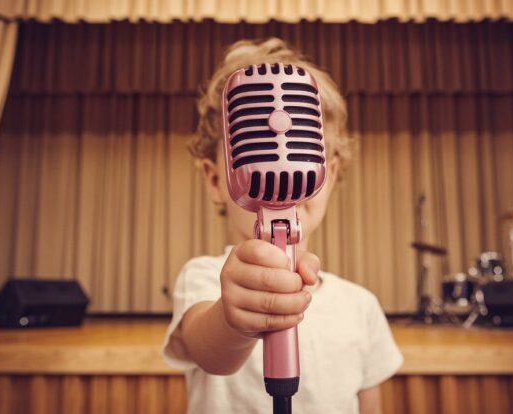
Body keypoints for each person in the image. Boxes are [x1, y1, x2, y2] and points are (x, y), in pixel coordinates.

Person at [162, 37, 403, 414]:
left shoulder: (361, 306)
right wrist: (233, 320)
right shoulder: (204, 278)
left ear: (331, 172)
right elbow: (210, 351)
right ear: (215, 180)